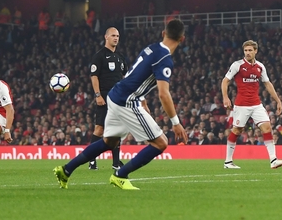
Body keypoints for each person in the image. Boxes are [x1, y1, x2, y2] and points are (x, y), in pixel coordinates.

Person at [53, 19, 188, 190]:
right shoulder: (165, 59)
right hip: (126, 101)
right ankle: (120, 175)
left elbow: (135, 76)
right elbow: (163, 93)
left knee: (109, 141)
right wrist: (176, 124)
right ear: (182, 39)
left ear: (163, 33)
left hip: (115, 95)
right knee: (161, 143)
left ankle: (66, 170)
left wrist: (143, 100)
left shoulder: (151, 48)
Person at [221, 40, 282, 170]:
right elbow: (225, 81)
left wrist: (278, 100)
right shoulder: (237, 65)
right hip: (241, 105)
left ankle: (273, 160)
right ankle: (228, 161)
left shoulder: (260, 67)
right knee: (237, 130)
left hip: (256, 104)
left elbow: (267, 84)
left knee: (267, 127)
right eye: (246, 50)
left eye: (250, 50)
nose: (247, 53)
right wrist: (225, 97)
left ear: (255, 51)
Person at [87, 27, 127, 171]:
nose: (116, 38)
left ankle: (116, 162)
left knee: (117, 129)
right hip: (104, 96)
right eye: (113, 35)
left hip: (118, 98)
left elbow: (124, 77)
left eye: (117, 36)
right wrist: (98, 95)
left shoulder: (121, 57)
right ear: (106, 37)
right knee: (99, 129)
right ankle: (91, 159)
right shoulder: (99, 56)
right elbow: (94, 76)